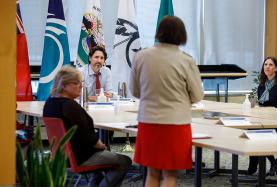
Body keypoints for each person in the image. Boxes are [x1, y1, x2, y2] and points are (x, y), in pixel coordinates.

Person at [130, 16, 204, 187]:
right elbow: (197, 96)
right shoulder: (186, 60)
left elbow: (135, 91)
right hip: (176, 124)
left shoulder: (140, 56)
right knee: (170, 175)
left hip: (148, 122)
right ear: (182, 35)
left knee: (152, 172)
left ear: (159, 32)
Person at [43, 66, 131, 187]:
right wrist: (98, 144)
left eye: (81, 82)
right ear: (63, 85)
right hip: (81, 156)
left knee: (101, 166)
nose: (80, 86)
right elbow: (85, 136)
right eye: (76, 83)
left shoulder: (49, 103)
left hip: (62, 154)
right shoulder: (69, 106)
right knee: (125, 161)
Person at [247, 56, 277, 176]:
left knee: (259, 133)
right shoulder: (262, 84)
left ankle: (262, 164)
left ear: (276, 68)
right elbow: (261, 103)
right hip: (264, 120)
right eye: (265, 64)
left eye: (271, 65)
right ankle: (261, 164)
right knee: (251, 130)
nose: (267, 67)